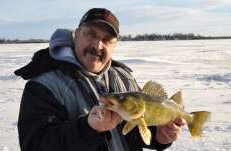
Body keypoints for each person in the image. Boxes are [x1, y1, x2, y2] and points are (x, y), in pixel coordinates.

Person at [15, 8, 185, 151]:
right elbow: (34, 145)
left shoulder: (123, 77)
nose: (97, 45)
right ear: (76, 35)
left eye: (106, 40)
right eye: (91, 34)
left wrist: (159, 136)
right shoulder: (45, 86)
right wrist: (87, 129)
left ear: (114, 45)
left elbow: (135, 128)